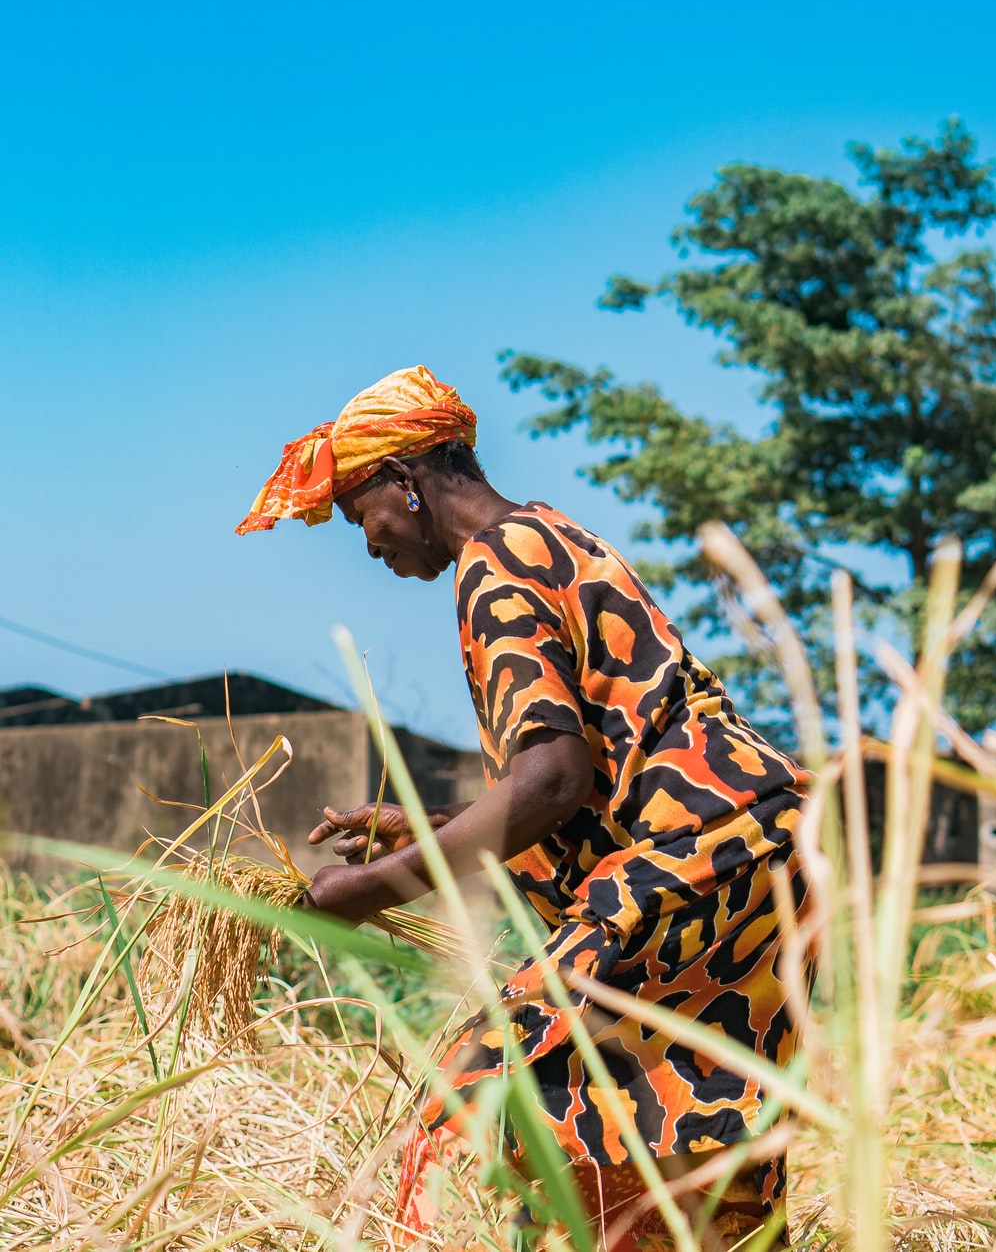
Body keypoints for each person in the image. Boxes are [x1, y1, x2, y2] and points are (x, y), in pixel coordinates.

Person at [236, 365, 812, 1251]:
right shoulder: (548, 534)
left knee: (524, 1078)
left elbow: (552, 783)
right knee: (698, 1125)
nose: (369, 545)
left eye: (362, 518)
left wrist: (378, 887)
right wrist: (424, 827)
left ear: (407, 481)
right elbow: (603, 759)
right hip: (760, 849)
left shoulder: (491, 570)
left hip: (690, 860)